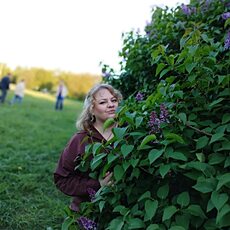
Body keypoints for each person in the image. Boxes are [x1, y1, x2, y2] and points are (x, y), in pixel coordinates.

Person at [53, 83, 123, 212]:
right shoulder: (80, 140)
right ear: (91, 109)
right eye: (103, 102)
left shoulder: (128, 134)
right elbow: (62, 179)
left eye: (114, 100)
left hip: (124, 210)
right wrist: (97, 185)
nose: (111, 105)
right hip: (89, 210)